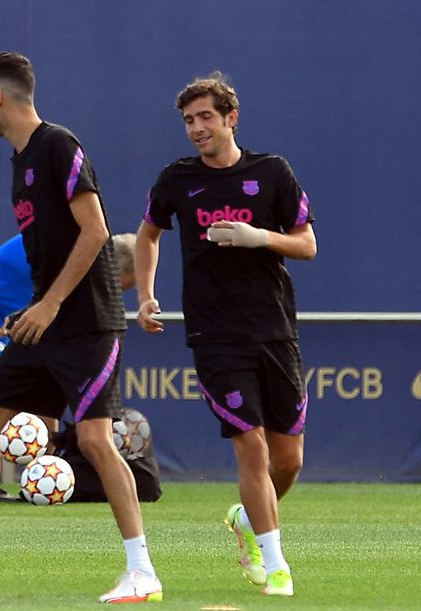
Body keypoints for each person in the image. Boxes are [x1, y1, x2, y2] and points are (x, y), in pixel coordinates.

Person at [0, 53, 162, 603]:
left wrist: (51, 304)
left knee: (93, 439)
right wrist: (33, 310)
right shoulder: (20, 163)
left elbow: (96, 232)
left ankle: (142, 571)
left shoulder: (57, 145)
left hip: (87, 324)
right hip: (41, 326)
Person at [135, 72, 315, 598]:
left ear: (231, 118)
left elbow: (307, 245)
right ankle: (277, 566)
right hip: (215, 334)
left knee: (289, 460)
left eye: (206, 117)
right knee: (251, 450)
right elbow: (148, 234)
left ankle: (246, 518)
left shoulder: (272, 172)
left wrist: (258, 236)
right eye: (189, 120)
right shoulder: (177, 179)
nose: (197, 128)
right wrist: (145, 295)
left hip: (276, 328)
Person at [0, 233, 137, 498]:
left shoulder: (81, 258)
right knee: (4, 402)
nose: (115, 292)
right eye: (119, 285)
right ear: (110, 268)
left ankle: (44, 483)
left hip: (22, 312)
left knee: (45, 411)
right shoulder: (63, 251)